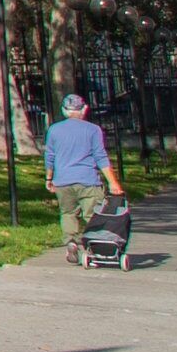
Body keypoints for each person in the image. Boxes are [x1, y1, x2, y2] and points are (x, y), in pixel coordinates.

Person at [44, 95, 114, 248]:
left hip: (63, 181)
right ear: (84, 109)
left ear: (64, 110)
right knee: (93, 215)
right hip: (88, 180)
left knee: (68, 213)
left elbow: (49, 156)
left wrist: (49, 178)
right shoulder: (93, 129)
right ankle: (96, 244)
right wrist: (113, 182)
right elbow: (100, 156)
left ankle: (71, 241)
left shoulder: (54, 130)